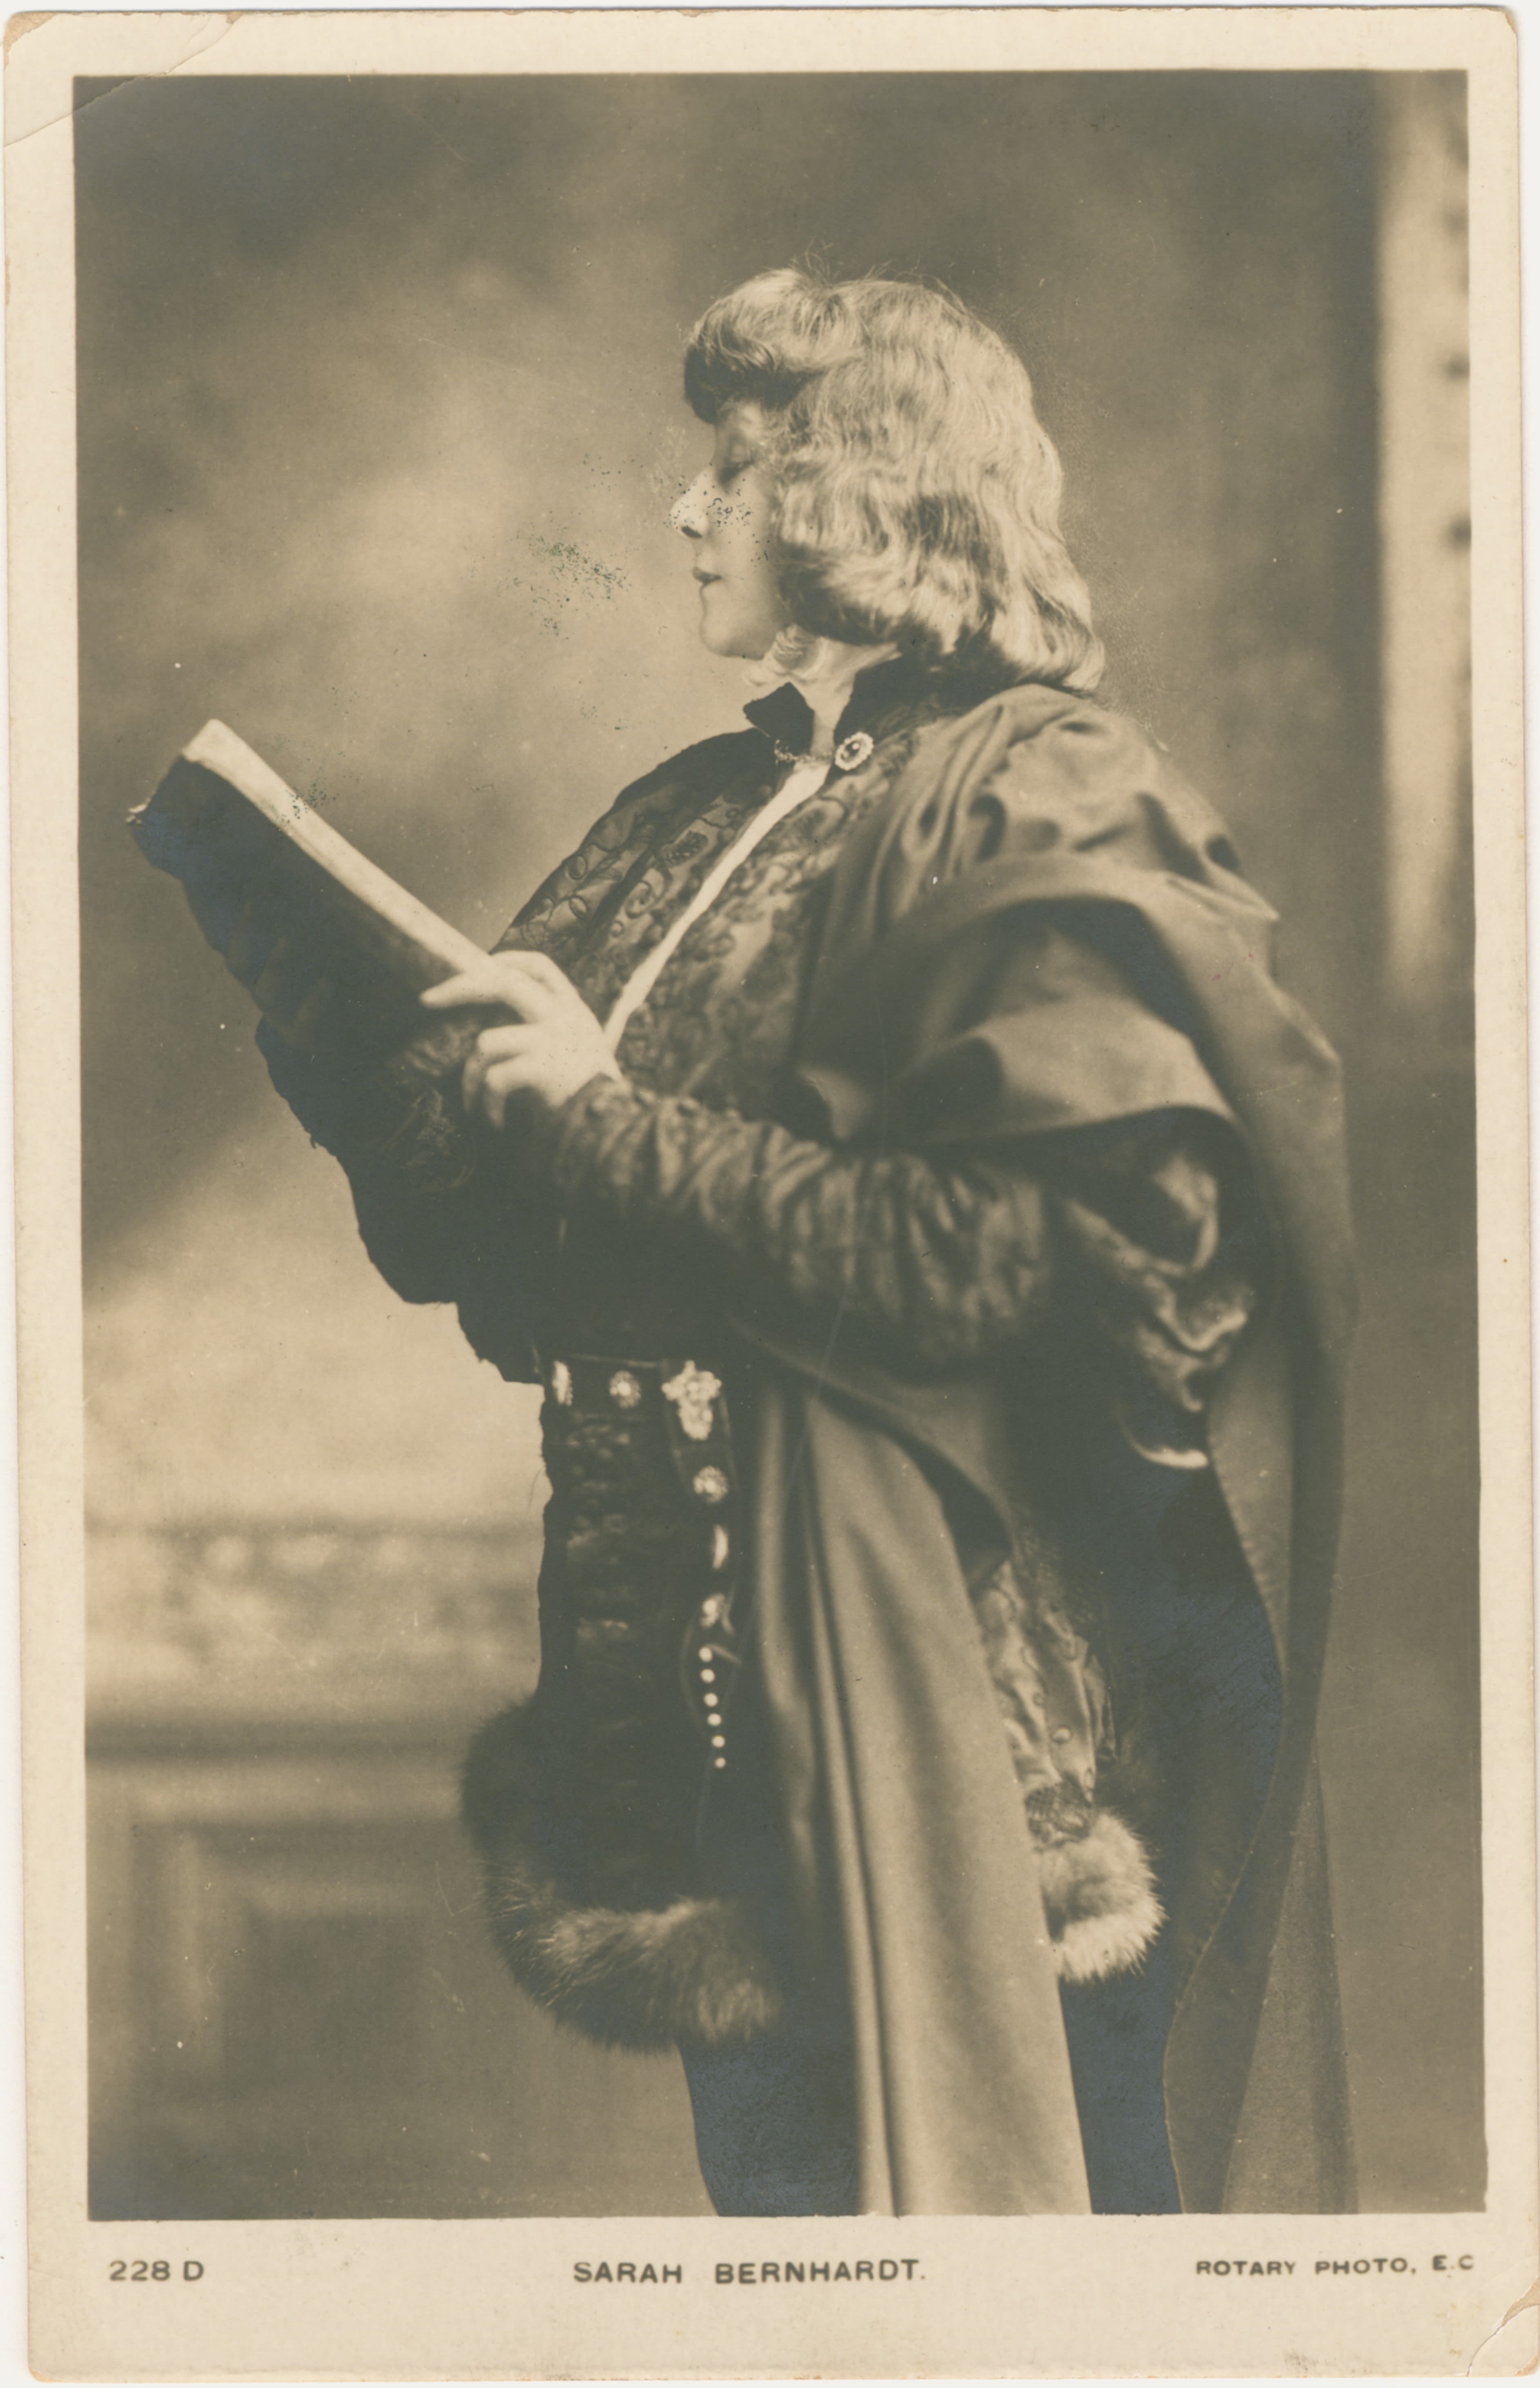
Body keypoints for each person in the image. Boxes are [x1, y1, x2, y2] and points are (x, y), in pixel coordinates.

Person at [231, 269, 1356, 2217]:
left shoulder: (1042, 791)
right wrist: (328, 989)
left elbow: (1003, 1265)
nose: (681, 511)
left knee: (1030, 2270)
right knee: (788, 2265)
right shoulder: (693, 805)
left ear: (856, 494)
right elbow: (485, 1243)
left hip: (948, 1687)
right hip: (668, 1676)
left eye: (729, 470)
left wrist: (597, 1116)